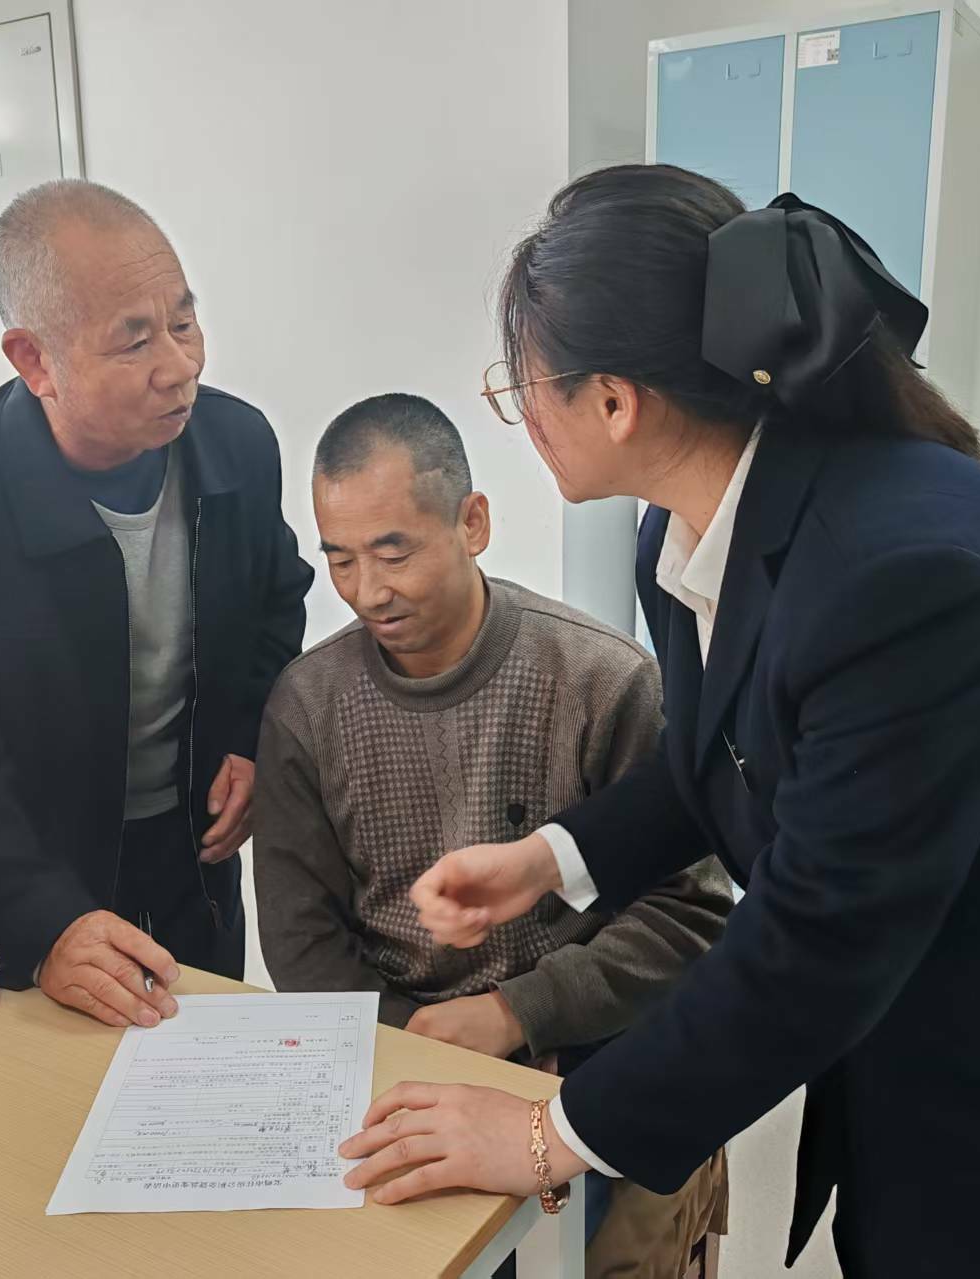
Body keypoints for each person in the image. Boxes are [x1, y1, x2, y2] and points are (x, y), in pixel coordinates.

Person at [339, 166, 980, 1277]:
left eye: (521, 385)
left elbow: (819, 937)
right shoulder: (692, 523)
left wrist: (547, 1133)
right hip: (928, 990)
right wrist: (550, 858)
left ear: (615, 402)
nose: (519, 414)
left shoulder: (898, 576)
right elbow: (727, 749)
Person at [254, 393, 734, 1275]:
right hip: (398, 1063)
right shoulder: (306, 706)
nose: (368, 591)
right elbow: (302, 941)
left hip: (590, 1061)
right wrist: (415, 1045)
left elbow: (690, 915)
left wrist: (519, 1014)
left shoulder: (603, 677)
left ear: (472, 522)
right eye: (341, 560)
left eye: (393, 551)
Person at [0, 180, 314, 1029]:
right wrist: (41, 921)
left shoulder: (238, 445)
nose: (180, 366)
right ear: (35, 360)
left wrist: (250, 739)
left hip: (195, 847)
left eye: (184, 322)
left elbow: (276, 600)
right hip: (42, 869)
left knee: (198, 1051)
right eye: (135, 340)